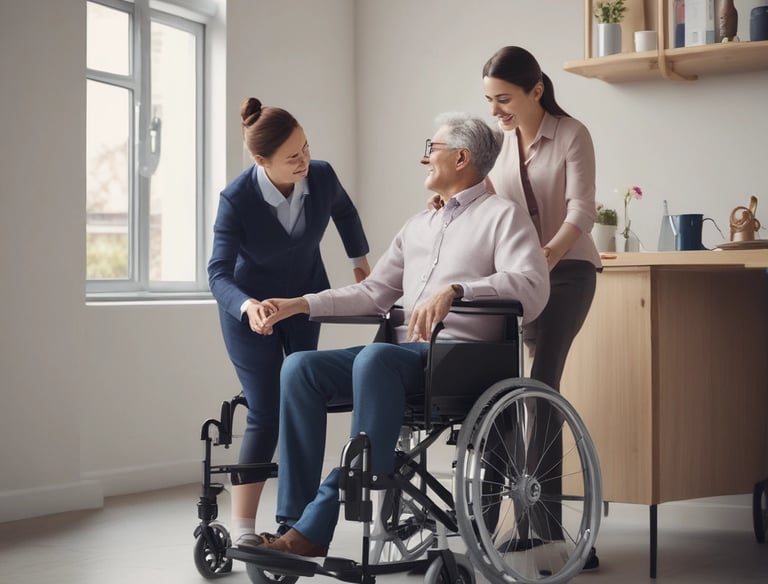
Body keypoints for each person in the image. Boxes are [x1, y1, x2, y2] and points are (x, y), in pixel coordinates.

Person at [242, 112, 549, 557]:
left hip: (459, 361)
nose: (425, 158)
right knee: (300, 368)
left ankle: (317, 522)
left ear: (461, 158)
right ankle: (295, 524)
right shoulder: (418, 226)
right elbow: (373, 293)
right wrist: (300, 304)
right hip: (401, 359)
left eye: (433, 148)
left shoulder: (503, 216)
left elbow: (533, 288)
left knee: (375, 357)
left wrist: (458, 290)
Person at [208, 97, 371, 546]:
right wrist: (247, 306)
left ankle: (296, 524)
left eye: (306, 147)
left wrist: (361, 264)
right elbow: (217, 273)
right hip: (250, 313)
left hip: (301, 302)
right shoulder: (236, 199)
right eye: (292, 156)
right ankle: (242, 530)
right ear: (262, 161)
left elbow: (345, 211)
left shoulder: (320, 175)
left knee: (302, 399)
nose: (304, 160)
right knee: (265, 410)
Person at [481, 46, 602, 569]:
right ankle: (525, 521)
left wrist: (546, 255)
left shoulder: (572, 134)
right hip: (522, 280)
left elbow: (582, 210)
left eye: (504, 99)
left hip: (569, 272)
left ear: (536, 90)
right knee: (511, 392)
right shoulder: (502, 145)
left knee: (542, 388)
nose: (496, 111)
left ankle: (543, 524)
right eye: (489, 100)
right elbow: (484, 200)